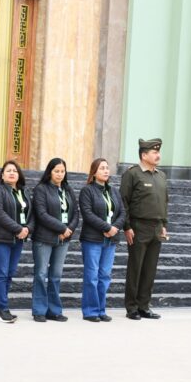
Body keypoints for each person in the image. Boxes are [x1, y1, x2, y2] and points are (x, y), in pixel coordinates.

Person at [120, 138, 169, 320]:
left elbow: (165, 202)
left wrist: (164, 225)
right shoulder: (132, 174)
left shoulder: (161, 176)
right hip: (138, 227)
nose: (158, 155)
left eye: (158, 152)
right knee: (136, 268)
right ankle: (132, 307)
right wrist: (127, 226)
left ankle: (144, 306)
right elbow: (123, 201)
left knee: (150, 270)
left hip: (156, 227)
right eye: (154, 152)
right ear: (144, 155)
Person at [30, 158, 79, 323]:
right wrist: (62, 228)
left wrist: (68, 230)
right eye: (56, 171)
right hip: (44, 238)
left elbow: (76, 213)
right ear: (49, 172)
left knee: (56, 275)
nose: (60, 174)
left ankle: (54, 310)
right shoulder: (41, 189)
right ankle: (39, 310)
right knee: (41, 274)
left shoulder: (68, 189)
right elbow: (41, 214)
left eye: (62, 171)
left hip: (64, 239)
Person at [78, 158, 125, 322]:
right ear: (94, 172)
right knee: (92, 276)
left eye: (107, 168)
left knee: (105, 276)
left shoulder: (114, 191)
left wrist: (114, 228)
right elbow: (87, 214)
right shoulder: (87, 191)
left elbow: (122, 213)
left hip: (110, 240)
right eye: (102, 168)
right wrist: (106, 228)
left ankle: (100, 309)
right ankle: (90, 311)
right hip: (93, 239)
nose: (106, 171)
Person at [0, 160, 33, 323]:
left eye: (15, 170)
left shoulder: (24, 192)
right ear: (2, 175)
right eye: (8, 171)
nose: (12, 173)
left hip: (18, 239)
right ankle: (3, 309)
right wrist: (18, 229)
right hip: (1, 238)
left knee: (10, 273)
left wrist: (28, 228)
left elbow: (32, 214)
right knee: (2, 273)